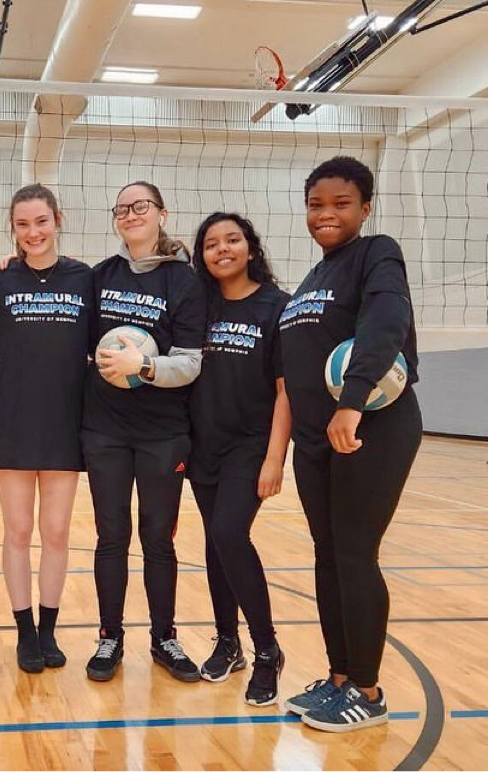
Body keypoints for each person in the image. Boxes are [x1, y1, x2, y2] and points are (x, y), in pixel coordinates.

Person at [279, 156, 421, 732]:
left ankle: (368, 689)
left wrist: (352, 401)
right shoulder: (314, 278)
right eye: (316, 205)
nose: (326, 214)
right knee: (327, 555)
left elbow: (386, 323)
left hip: (368, 428)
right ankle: (339, 679)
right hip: (316, 438)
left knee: (356, 554)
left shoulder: (377, 252)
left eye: (341, 204)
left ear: (365, 207)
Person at [82, 181, 206, 683]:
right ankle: (109, 635)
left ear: (162, 213)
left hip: (163, 432)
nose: (131, 214)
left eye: (142, 206)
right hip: (105, 429)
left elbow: (193, 363)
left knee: (158, 538)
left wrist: (146, 365)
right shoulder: (99, 276)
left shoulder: (185, 281)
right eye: (122, 208)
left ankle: (164, 637)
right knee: (111, 536)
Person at [0, 184, 93, 673]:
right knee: (19, 530)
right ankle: (24, 632)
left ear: (58, 219)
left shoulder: (83, 279)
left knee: (55, 531)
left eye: (41, 221)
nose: (33, 232)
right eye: (23, 224)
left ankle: (49, 631)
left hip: (65, 421)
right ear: (13, 228)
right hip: (14, 419)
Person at [189, 212, 291, 706]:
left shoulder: (276, 307)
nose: (222, 249)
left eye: (232, 240)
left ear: (251, 247)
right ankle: (227, 642)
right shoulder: (198, 304)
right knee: (215, 542)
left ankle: (267, 650)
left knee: (230, 532)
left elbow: (285, 389)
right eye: (211, 243)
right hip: (201, 442)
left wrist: (275, 458)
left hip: (249, 444)